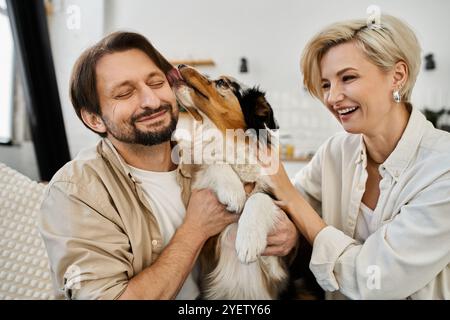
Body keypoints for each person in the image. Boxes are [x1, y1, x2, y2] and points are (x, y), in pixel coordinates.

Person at [38, 31, 298, 300]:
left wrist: (288, 238)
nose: (151, 101)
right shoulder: (75, 191)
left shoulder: (206, 159)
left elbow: (267, 236)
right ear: (94, 120)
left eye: (156, 82)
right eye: (125, 93)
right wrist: (195, 230)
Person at [265, 15, 450, 299]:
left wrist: (287, 193)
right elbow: (290, 212)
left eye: (348, 78)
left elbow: (376, 279)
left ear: (397, 77)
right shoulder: (336, 152)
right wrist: (291, 231)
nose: (333, 97)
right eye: (326, 85)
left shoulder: (442, 167)